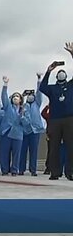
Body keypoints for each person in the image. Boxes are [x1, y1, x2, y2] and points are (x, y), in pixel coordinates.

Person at [39, 42, 73, 180]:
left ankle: (70, 171)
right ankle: (55, 172)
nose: (61, 74)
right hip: (54, 120)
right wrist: (49, 71)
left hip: (69, 119)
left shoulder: (71, 85)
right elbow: (42, 87)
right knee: (54, 147)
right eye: (59, 73)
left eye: (62, 73)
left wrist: (72, 54)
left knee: (71, 146)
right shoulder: (52, 88)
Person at [0, 76, 30, 176]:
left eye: (17, 96)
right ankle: (4, 170)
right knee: (4, 153)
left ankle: (14, 170)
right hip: (7, 132)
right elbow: (4, 97)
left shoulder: (24, 109)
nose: (15, 98)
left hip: (17, 134)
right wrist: (5, 84)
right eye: (14, 96)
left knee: (16, 154)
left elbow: (27, 123)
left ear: (21, 99)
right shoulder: (8, 107)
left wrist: (22, 117)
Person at [19, 73, 45, 176]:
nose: (30, 96)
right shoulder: (24, 105)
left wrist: (39, 80)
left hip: (35, 131)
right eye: (28, 95)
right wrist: (22, 95)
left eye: (31, 95)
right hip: (25, 131)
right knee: (23, 151)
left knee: (34, 151)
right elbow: (18, 103)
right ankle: (21, 169)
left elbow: (39, 93)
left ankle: (33, 170)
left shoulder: (37, 103)